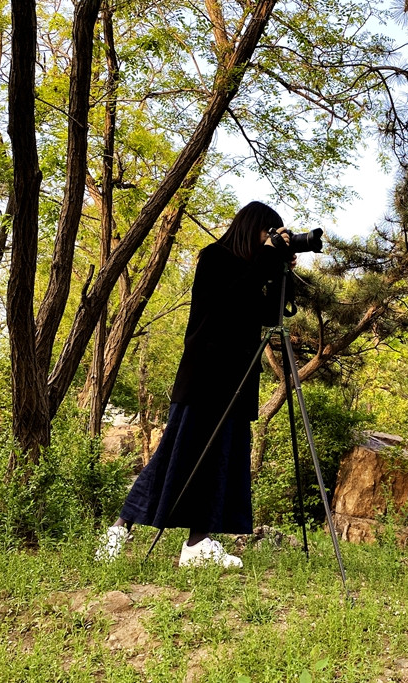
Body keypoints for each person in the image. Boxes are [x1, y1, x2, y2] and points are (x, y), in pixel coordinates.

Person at [95, 201, 295, 567]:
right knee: (177, 455)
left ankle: (197, 544)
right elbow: (229, 303)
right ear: (253, 228)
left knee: (221, 463)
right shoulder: (215, 258)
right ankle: (118, 530)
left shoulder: (256, 268)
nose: (270, 241)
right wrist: (266, 262)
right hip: (205, 380)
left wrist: (280, 272)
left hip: (236, 383)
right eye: (269, 233)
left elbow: (267, 315)